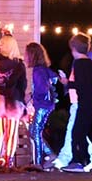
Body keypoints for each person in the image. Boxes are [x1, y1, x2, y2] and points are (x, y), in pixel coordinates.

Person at [63, 33, 92, 172]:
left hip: (85, 104)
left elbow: (80, 85)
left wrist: (68, 83)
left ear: (74, 49)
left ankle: (79, 161)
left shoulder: (78, 64)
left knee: (77, 133)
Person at [0, 30, 28, 167]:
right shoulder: (19, 65)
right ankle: (9, 160)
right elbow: (23, 85)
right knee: (11, 132)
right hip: (14, 100)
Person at [23, 41, 62, 170]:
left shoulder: (38, 71)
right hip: (47, 105)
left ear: (32, 56)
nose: (25, 57)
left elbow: (42, 89)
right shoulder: (44, 70)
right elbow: (54, 79)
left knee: (35, 132)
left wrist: (32, 98)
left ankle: (39, 161)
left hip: (43, 105)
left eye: (26, 54)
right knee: (35, 131)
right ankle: (49, 155)